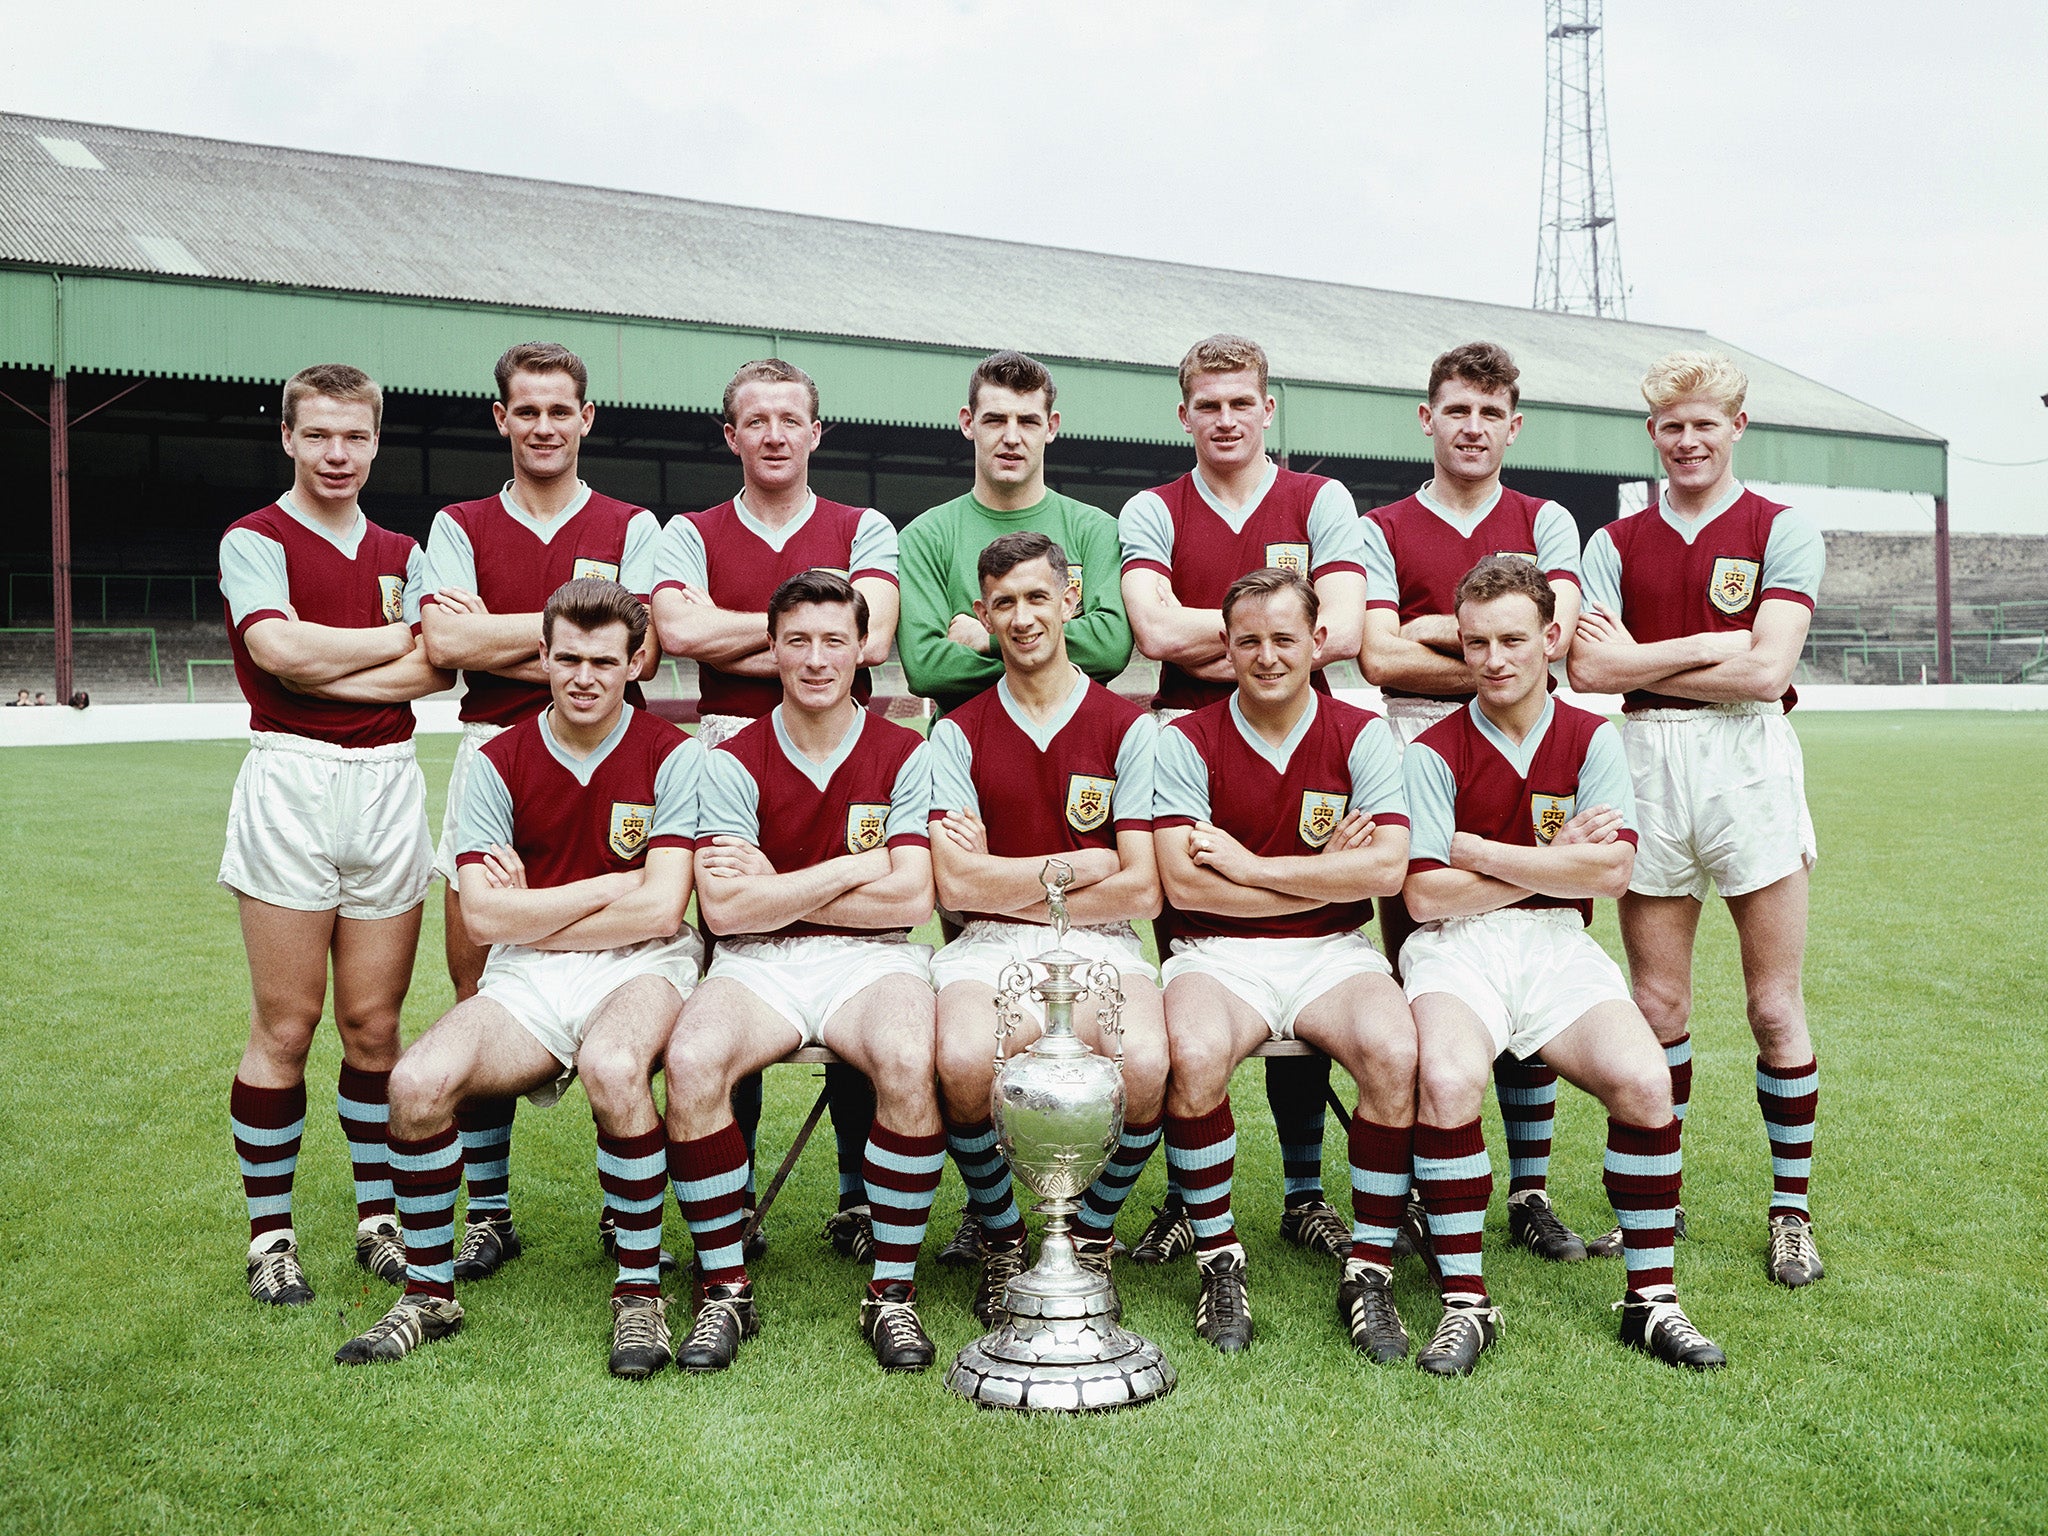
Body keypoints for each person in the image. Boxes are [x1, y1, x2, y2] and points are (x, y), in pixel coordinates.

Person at [335, 579, 702, 1375]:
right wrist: (612, 886)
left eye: (604, 661)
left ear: (635, 663)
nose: (583, 676)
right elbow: (487, 921)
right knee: (417, 1082)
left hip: (645, 964)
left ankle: (639, 1295)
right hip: (527, 974)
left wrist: (537, 900)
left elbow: (663, 909)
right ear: (540, 656)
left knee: (614, 1066)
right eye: (567, 657)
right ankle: (430, 1293)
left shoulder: (675, 754)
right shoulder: (495, 760)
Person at [1402, 555, 1724, 1374]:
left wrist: (1477, 851)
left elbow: (1611, 873)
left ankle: (1650, 1304)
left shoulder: (1593, 739)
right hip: (1455, 952)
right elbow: (1427, 900)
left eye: (1513, 639)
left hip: (1556, 946)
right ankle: (1466, 1304)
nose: (1495, 659)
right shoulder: (1431, 750)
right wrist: (1548, 855)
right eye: (1476, 643)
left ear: (1551, 638)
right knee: (1444, 1081)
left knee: (1648, 1083)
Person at [1569, 351, 1827, 1288]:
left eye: (1705, 423)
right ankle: (1660, 1203)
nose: (1688, 440)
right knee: (1660, 1003)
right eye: (1671, 425)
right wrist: (1709, 644)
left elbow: (1767, 673)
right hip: (1646, 763)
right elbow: (1590, 674)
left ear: (1736, 427)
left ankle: (1790, 1211)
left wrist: (1646, 653)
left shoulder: (1783, 529)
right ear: (1653, 434)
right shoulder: (1615, 541)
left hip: (1748, 758)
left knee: (1771, 1004)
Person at [1118, 334, 1371, 1268]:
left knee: (1309, 937)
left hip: (1308, 741)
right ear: (1183, 414)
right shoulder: (1154, 507)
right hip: (1189, 744)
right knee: (1205, 958)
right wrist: (1273, 638)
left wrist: (1224, 637)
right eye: (1207, 404)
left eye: (1241, 403)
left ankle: (1304, 1193)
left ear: (1270, 409)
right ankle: (1191, 1200)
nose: (1225, 419)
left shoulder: (1321, 500)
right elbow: (1153, 630)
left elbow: (1341, 627)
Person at [418, 341, 662, 1281]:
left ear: (586, 418)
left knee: (622, 981)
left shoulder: (631, 520)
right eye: (528, 411)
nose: (545, 426)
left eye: (561, 410)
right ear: (502, 419)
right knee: (481, 989)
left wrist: (510, 634)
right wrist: (577, 636)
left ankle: (621, 1203)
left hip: (611, 767)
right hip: (493, 756)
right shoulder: (459, 521)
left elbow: (633, 652)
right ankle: (490, 1210)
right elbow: (447, 641)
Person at [661, 571, 944, 1373]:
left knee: (905, 1057)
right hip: (759, 963)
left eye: (833, 641)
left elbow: (914, 899)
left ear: (862, 649)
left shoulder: (905, 751)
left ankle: (892, 1294)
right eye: (797, 641)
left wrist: (776, 884)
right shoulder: (729, 758)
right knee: (692, 1060)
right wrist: (851, 869)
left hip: (875, 957)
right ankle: (724, 1289)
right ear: (772, 647)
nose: (816, 660)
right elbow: (726, 915)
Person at [651, 357, 900, 1261]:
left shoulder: (860, 523)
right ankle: (737, 1192)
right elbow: (675, 633)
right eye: (754, 421)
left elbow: (868, 634)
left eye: (789, 420)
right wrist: (805, 641)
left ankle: (858, 1197)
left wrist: (760, 633)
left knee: (865, 957)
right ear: (731, 435)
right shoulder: (690, 529)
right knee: (734, 958)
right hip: (730, 750)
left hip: (847, 748)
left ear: (815, 431)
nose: (773, 435)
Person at [216, 363, 448, 1307]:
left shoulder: (407, 547)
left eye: (354, 436)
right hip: (291, 777)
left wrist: (326, 665)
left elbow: (441, 668)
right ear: (287, 437)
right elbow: (274, 651)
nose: (337, 453)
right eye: (318, 435)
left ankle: (377, 1221)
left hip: (389, 782)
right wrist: (389, 646)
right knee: (286, 1023)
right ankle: (270, 1235)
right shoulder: (254, 538)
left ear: (376, 440)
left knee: (374, 1025)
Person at [1359, 341, 1589, 1263]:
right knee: (1427, 961)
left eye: (1491, 413)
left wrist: (1432, 630)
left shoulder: (1547, 519)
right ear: (1428, 418)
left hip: (1534, 752)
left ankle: (1529, 1192)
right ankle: (1422, 1181)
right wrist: (1492, 650)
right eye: (1457, 409)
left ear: (1513, 425)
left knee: (1539, 953)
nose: (1473, 427)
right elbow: (1377, 657)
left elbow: (1562, 640)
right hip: (1417, 748)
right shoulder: (1384, 525)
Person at [1152, 567, 1417, 1360]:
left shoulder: (1365, 734)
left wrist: (1249, 866)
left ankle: (1369, 1270)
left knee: (1394, 1050)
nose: (1267, 656)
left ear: (1319, 641)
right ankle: (1220, 1261)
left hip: (1333, 950)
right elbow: (1179, 884)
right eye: (1249, 641)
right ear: (1225, 648)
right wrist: (1310, 875)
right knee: (1193, 1052)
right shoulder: (1183, 738)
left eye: (1284, 639)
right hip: (1213, 952)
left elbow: (1383, 873)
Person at [927, 532, 1168, 1328]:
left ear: (1071, 599)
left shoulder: (1128, 727)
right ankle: (1000, 1237)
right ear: (983, 616)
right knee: (962, 1060)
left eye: (1038, 597)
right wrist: (1081, 865)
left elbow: (1144, 887)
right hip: (989, 944)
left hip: (1100, 946)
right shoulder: (956, 732)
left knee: (1150, 1063)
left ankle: (1090, 1237)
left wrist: (1015, 876)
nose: (1024, 617)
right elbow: (956, 886)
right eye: (1005, 603)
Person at [898, 351, 1132, 716]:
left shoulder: (1097, 530)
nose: (1011, 437)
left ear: (1051, 427)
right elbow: (928, 668)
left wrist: (988, 640)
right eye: (994, 420)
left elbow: (1110, 647)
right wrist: (1045, 652)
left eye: (1027, 421)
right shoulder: (925, 538)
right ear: (968, 422)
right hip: (966, 756)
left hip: (1080, 748)